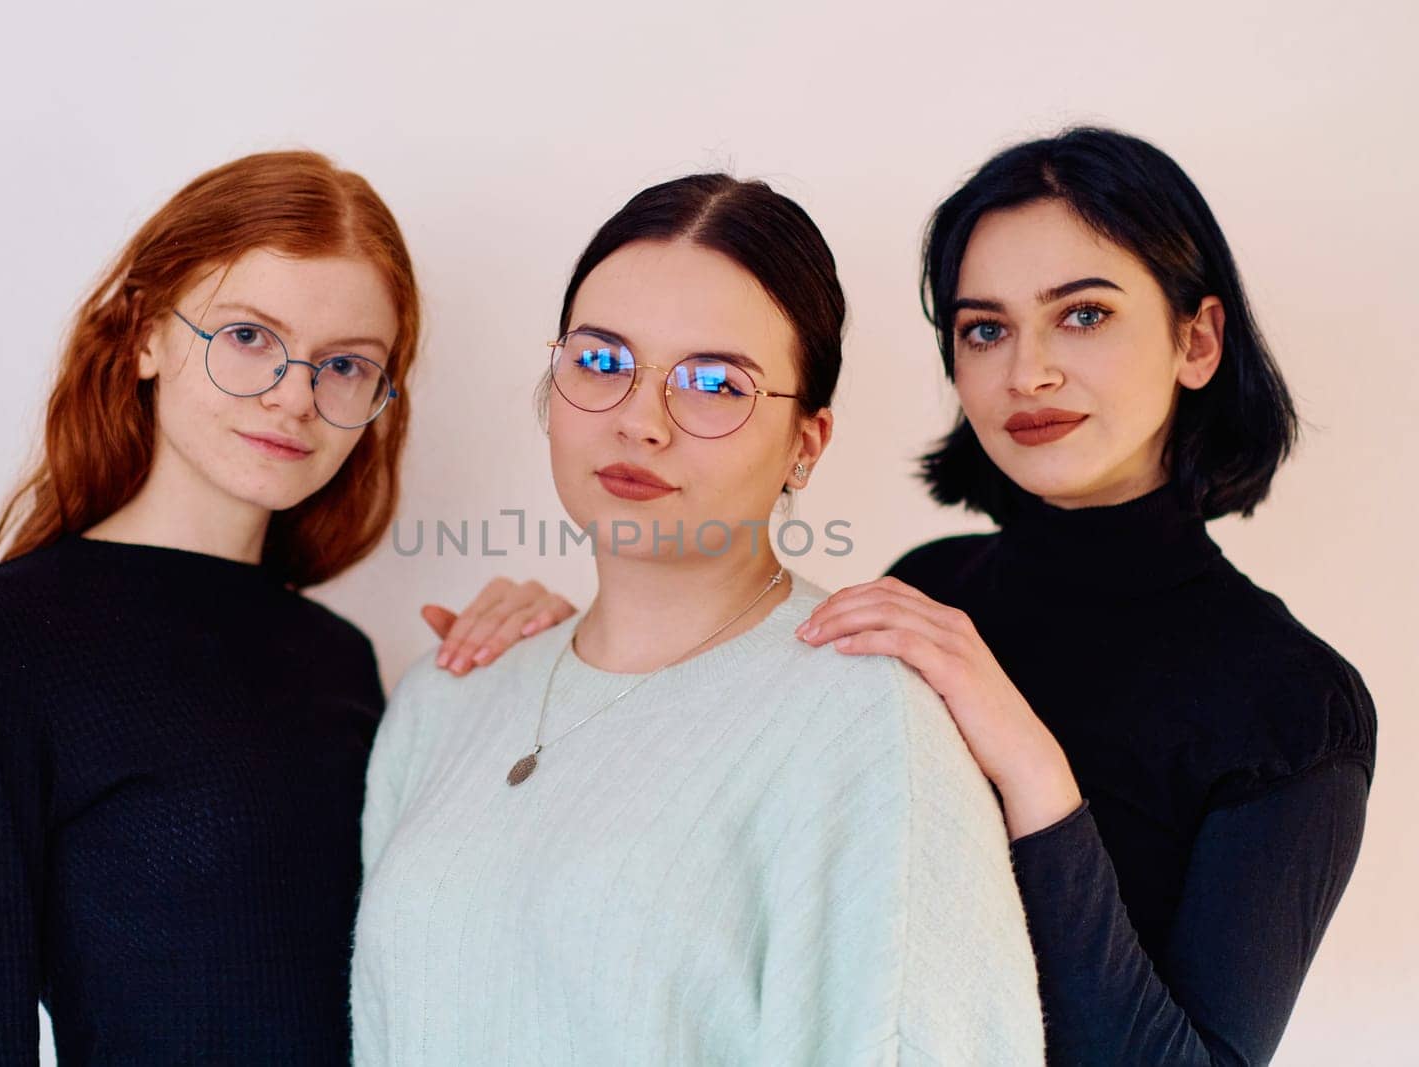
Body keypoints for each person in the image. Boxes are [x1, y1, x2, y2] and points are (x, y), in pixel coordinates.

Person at [0, 150, 569, 1065]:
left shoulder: (338, 656)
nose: (295, 396)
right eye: (248, 335)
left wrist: (559, 664)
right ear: (144, 333)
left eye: (345, 365)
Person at [351, 173, 1045, 1065]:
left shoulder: (868, 726)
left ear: (806, 443)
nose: (642, 420)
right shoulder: (444, 700)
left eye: (715, 383)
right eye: (600, 362)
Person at [798, 127, 1377, 1065]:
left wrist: (1029, 761)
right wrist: (563, 645)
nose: (1027, 372)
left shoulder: (1294, 705)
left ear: (1198, 340)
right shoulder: (927, 590)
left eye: (1083, 314)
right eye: (984, 329)